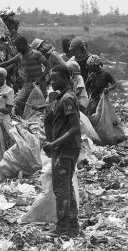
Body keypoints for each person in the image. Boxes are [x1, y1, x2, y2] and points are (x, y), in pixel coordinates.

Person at [43, 64, 81, 238]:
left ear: (66, 79)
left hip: (65, 149)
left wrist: (54, 144)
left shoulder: (67, 99)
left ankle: (62, 228)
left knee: (61, 189)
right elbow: (50, 120)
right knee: (67, 187)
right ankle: (72, 228)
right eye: (51, 78)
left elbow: (75, 128)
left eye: (55, 78)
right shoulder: (61, 98)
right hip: (64, 148)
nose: (52, 81)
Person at [0, 36, 51, 117]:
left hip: (39, 84)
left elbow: (48, 65)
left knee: (41, 104)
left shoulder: (36, 54)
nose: (16, 48)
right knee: (18, 102)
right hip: (28, 84)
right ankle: (22, 122)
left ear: (23, 44)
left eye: (17, 46)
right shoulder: (19, 56)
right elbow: (8, 63)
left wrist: (41, 77)